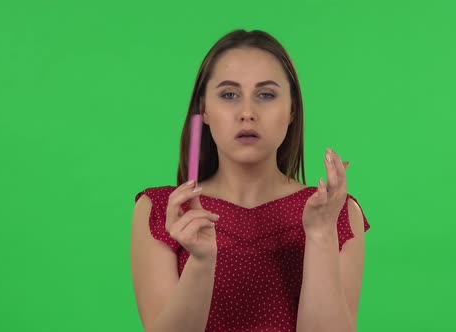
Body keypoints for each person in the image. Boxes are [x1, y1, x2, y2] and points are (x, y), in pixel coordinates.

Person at [130, 29, 371, 332]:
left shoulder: (337, 212)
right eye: (229, 95)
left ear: (292, 109)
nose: (247, 113)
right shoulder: (161, 211)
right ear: (204, 108)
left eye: (266, 95)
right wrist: (201, 262)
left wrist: (321, 235)